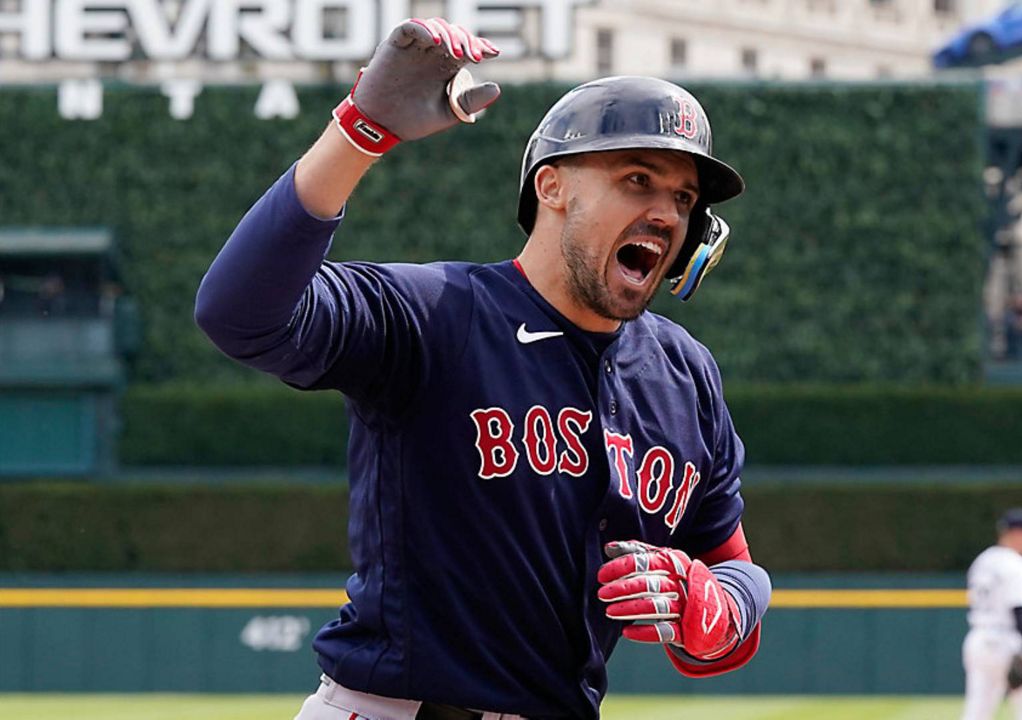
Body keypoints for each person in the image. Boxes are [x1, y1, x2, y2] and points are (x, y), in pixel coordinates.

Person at [194, 16, 771, 720]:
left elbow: (730, 578)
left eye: (683, 199)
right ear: (552, 187)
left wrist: (723, 603)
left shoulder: (686, 375)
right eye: (637, 179)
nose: (664, 212)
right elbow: (238, 314)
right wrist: (357, 134)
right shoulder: (435, 314)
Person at [961, 508, 1022, 720]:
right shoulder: (1017, 565)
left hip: (978, 639)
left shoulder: (983, 560)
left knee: (977, 712)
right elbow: (1019, 610)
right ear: (1015, 533)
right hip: (1006, 640)